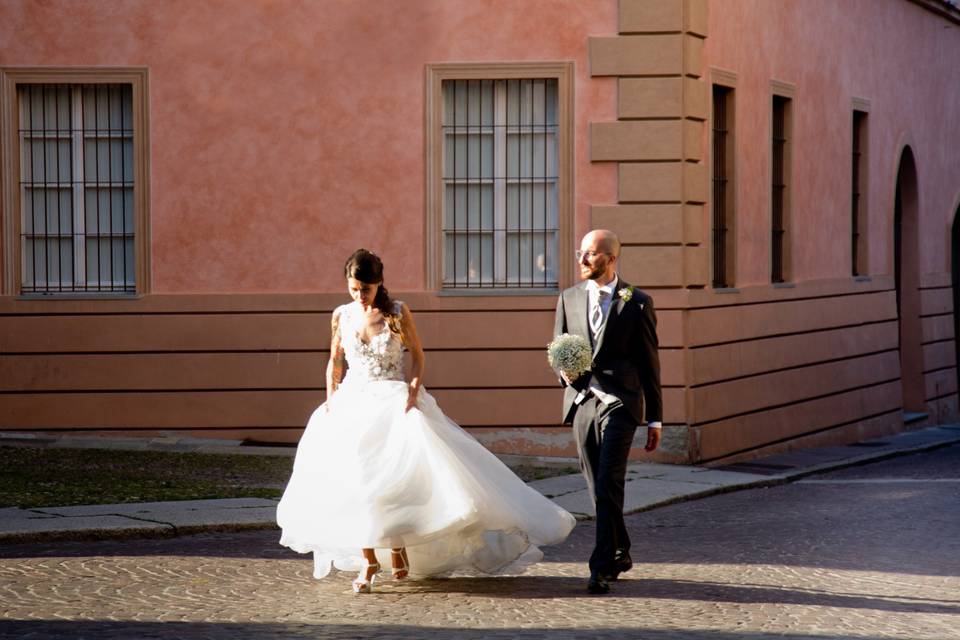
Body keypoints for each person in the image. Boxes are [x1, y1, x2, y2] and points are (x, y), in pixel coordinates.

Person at [277, 249, 576, 593]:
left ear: (379, 285)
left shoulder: (397, 313)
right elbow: (334, 360)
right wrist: (331, 396)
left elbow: (418, 357)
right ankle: (370, 560)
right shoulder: (341, 315)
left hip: (391, 400)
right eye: (355, 288)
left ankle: (398, 547)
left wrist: (413, 390)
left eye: (367, 289)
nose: (360, 295)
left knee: (393, 482)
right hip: (351, 404)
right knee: (355, 483)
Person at [553, 229, 662, 595]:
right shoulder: (567, 298)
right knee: (595, 487)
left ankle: (599, 568)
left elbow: (650, 364)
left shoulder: (637, 301)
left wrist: (655, 418)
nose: (582, 260)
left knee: (607, 482)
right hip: (583, 400)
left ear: (611, 259)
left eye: (590, 254)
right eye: (580, 253)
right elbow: (559, 348)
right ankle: (621, 550)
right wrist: (563, 374)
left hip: (621, 403)